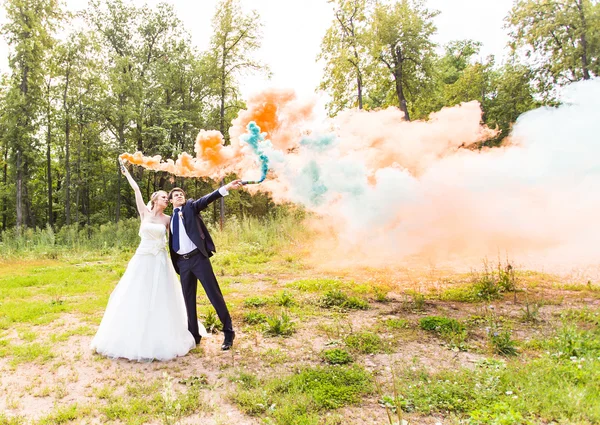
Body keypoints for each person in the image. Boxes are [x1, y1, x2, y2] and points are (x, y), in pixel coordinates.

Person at [90, 160, 196, 361]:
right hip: (142, 259)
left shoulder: (168, 219)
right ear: (155, 199)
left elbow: (179, 233)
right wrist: (126, 173)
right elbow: (136, 189)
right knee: (136, 293)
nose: (167, 198)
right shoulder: (144, 213)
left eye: (168, 197)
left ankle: (162, 334)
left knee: (160, 296)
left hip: (160, 261)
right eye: (164, 196)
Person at [168, 179, 243, 351]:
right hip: (182, 263)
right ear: (170, 201)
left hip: (198, 259)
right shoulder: (170, 218)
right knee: (188, 300)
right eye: (175, 195)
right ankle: (194, 336)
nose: (179, 196)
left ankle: (228, 332)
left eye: (181, 194)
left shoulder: (191, 207)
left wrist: (227, 187)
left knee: (214, 294)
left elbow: (208, 198)